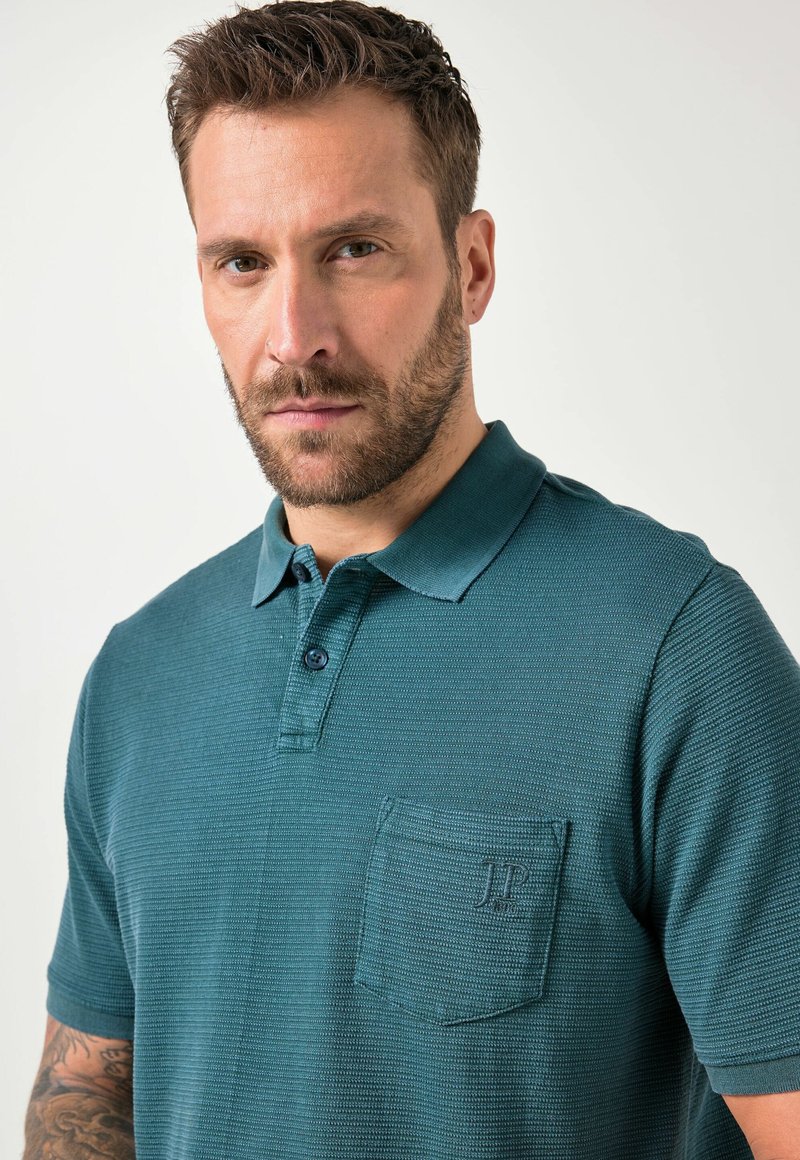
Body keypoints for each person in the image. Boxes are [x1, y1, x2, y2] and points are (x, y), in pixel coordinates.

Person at [23, 3, 800, 1157]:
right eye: (243, 262)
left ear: (470, 265)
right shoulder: (141, 674)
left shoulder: (673, 646)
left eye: (353, 249)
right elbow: (88, 1102)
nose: (294, 335)